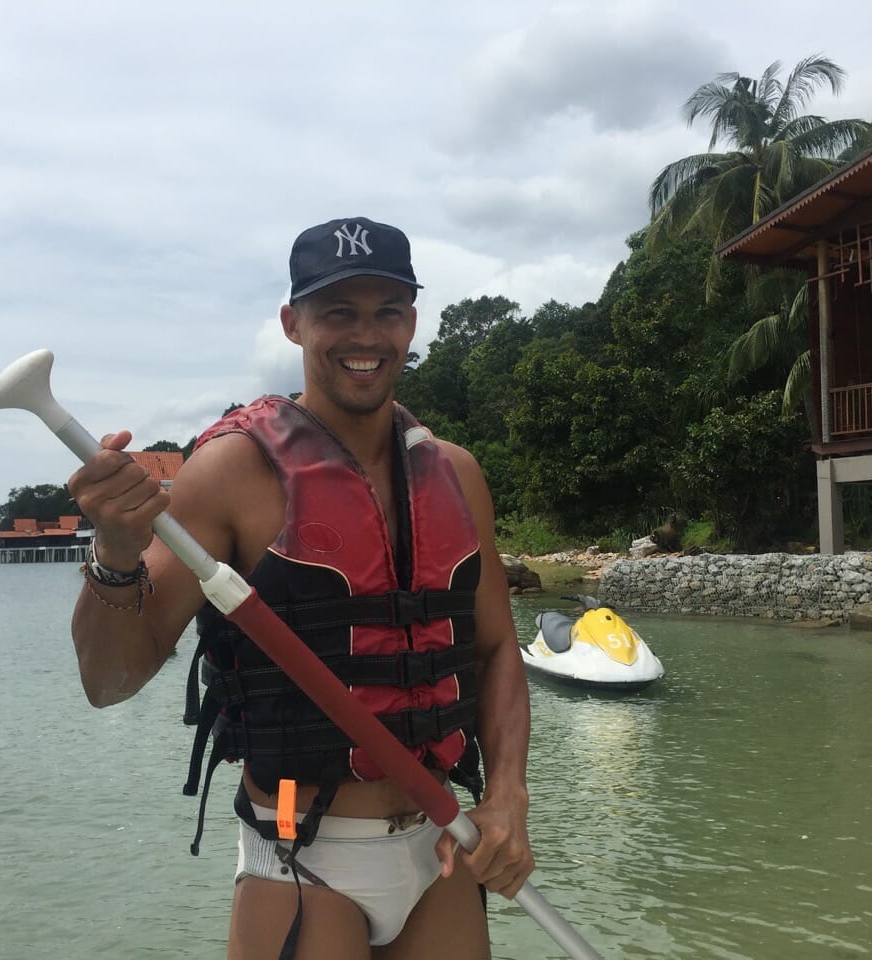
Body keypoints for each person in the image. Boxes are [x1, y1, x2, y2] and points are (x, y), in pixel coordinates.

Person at [67, 217, 534, 959]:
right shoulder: (228, 473)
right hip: (300, 859)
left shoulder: (457, 473)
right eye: (338, 312)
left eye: (387, 311)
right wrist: (117, 554)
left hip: (443, 843)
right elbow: (110, 678)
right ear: (293, 324)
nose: (366, 335)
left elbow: (500, 648)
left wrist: (508, 796)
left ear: (411, 321)